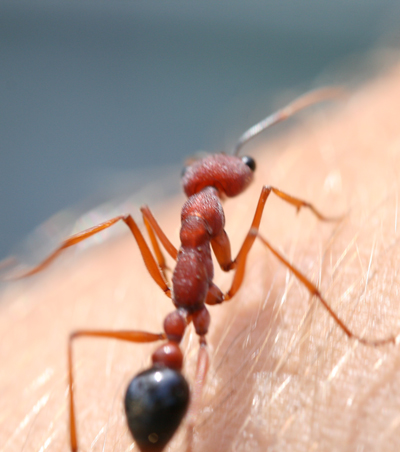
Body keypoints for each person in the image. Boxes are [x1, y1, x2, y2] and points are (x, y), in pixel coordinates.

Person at [1, 66, 400, 452]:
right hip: (164, 391)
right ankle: (190, 430)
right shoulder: (208, 244)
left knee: (124, 232)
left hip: (161, 372)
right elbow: (228, 264)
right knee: (250, 228)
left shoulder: (191, 231)